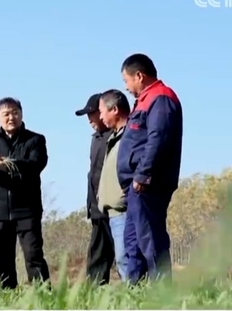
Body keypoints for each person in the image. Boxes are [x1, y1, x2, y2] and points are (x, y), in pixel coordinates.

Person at [117, 53, 184, 284]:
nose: (126, 87)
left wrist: (143, 174)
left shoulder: (161, 98)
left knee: (151, 239)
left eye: (126, 81)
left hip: (148, 184)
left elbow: (158, 138)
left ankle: (161, 291)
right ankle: (134, 290)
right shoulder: (144, 100)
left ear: (139, 75)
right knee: (133, 242)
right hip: (135, 187)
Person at [0, 97, 50, 289]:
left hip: (27, 209)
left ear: (22, 114)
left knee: (33, 256)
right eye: (6, 114)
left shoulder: (35, 139)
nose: (11, 118)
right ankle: (6, 297)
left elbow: (36, 164)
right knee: (2, 260)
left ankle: (42, 295)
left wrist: (6, 163)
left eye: (15, 113)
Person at [75, 93, 114, 285]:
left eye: (92, 114)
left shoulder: (116, 135)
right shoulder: (96, 138)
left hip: (114, 205)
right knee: (97, 253)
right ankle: (96, 289)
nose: (89, 119)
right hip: (97, 207)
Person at [96, 89, 132, 281]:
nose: (100, 117)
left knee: (125, 258)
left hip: (125, 209)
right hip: (113, 211)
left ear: (115, 110)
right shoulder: (114, 137)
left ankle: (136, 295)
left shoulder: (131, 135)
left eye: (102, 111)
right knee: (121, 259)